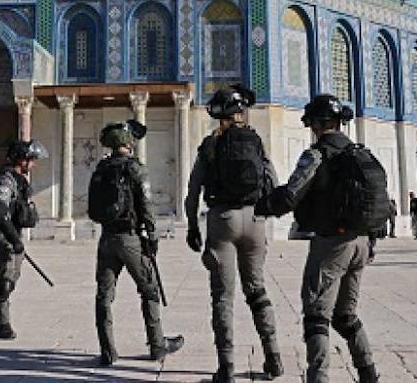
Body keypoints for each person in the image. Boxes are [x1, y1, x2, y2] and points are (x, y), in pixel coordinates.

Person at [255, 94, 379, 383]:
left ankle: (318, 377)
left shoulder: (318, 154)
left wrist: (262, 206)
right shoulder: (360, 152)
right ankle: (368, 373)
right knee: (345, 316)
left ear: (315, 124)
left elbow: (290, 195)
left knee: (317, 315)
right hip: (362, 243)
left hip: (332, 245)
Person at [185, 84, 282, 383]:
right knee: (257, 290)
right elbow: (273, 180)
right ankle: (273, 356)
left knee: (223, 297)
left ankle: (226, 367)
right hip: (254, 220)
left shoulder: (210, 144)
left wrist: (192, 225)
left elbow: (193, 191)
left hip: (222, 220)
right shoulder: (255, 140)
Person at [90, 120, 184, 366]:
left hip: (106, 238)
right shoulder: (135, 169)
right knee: (149, 290)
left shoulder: (101, 169)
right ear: (127, 143)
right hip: (130, 238)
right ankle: (157, 345)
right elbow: (146, 205)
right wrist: (152, 237)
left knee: (104, 295)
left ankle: (107, 351)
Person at [0, 139, 45, 340]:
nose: (33, 164)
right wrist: (14, 239)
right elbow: (0, 213)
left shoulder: (18, 180)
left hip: (11, 233)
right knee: (6, 279)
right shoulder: (5, 181)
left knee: (10, 278)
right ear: (21, 160)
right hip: (2, 235)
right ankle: (2, 323)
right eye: (31, 160)